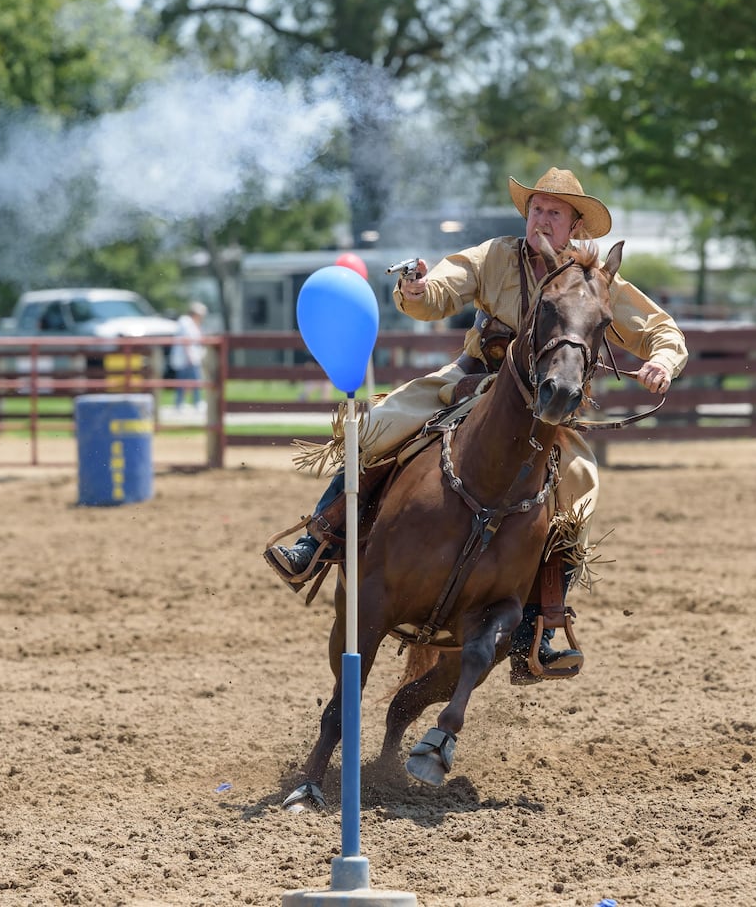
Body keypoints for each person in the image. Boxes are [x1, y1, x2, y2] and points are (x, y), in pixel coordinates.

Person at [264, 167, 689, 683]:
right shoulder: (496, 256)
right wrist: (418, 288)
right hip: (466, 383)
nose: (541, 218)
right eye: (536, 208)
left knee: (580, 492)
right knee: (375, 427)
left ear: (576, 225)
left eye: (554, 212)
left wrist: (663, 360)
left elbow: (659, 329)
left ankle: (542, 620)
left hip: (545, 412)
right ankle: (321, 534)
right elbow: (440, 291)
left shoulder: (595, 282)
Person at [170, 302, 207, 408]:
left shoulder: (192, 323)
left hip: (190, 357)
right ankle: (194, 402)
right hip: (187, 358)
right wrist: (190, 357)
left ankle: (181, 403)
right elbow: (186, 340)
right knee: (191, 381)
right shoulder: (186, 322)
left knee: (187, 381)